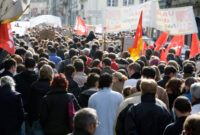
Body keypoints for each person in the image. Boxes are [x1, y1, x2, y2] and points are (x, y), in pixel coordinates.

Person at [29, 65, 54, 135]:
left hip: (36, 116)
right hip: (50, 118)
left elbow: (31, 102)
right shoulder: (52, 86)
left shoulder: (34, 85)